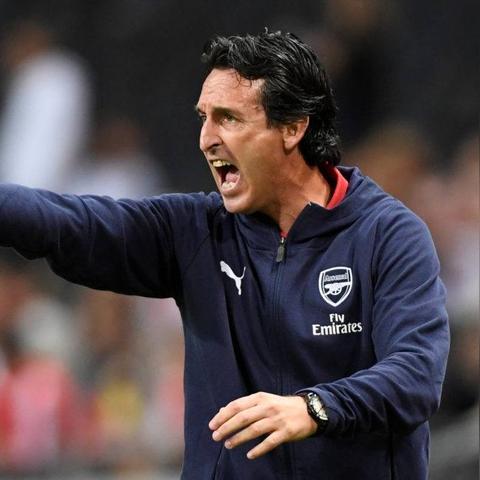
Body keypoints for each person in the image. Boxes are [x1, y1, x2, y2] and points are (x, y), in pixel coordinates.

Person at [0, 31, 449, 479]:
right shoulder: (195, 232)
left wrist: (314, 407)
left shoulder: (387, 235)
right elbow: (69, 222)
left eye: (228, 118)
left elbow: (415, 375)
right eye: (204, 118)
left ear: (293, 127)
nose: (206, 139)